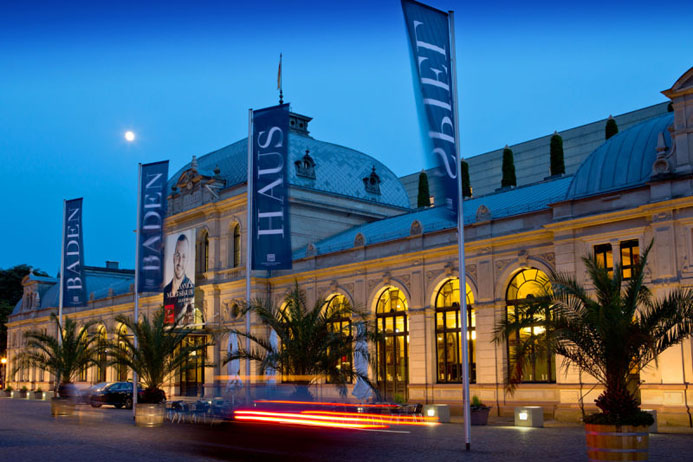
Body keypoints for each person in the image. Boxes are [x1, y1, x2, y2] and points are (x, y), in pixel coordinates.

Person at [163, 234, 195, 323]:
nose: (179, 262)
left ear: (188, 260)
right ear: (173, 257)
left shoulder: (192, 290)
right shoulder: (166, 291)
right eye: (177, 255)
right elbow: (169, 323)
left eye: (184, 257)